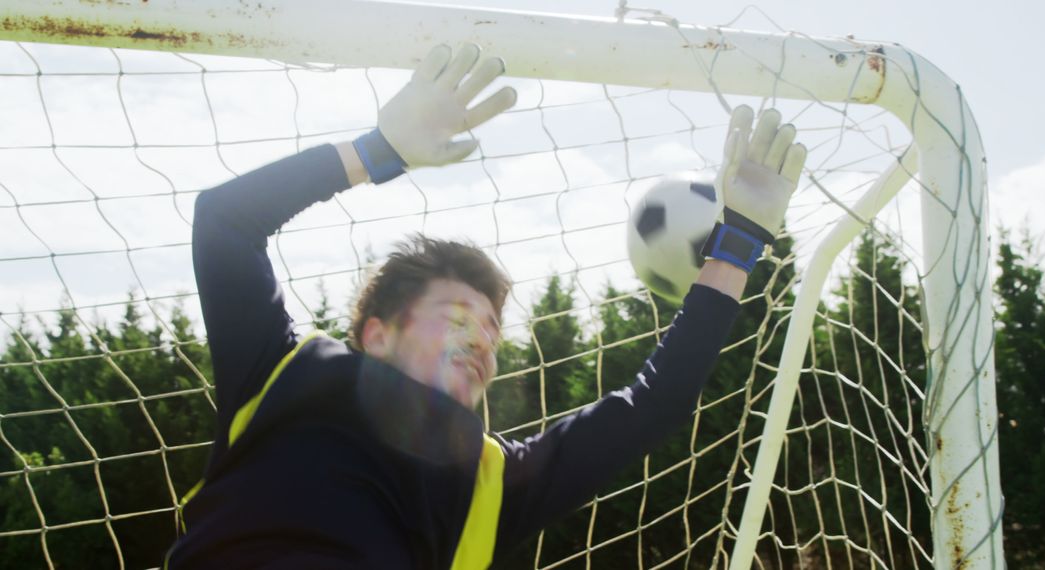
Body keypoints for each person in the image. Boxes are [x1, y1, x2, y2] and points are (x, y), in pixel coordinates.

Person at [163, 44, 806, 569]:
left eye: (495, 332)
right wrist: (375, 152)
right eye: (460, 317)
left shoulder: (491, 480)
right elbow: (223, 221)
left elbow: (651, 404)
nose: (483, 342)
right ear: (377, 334)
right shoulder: (282, 375)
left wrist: (741, 243)